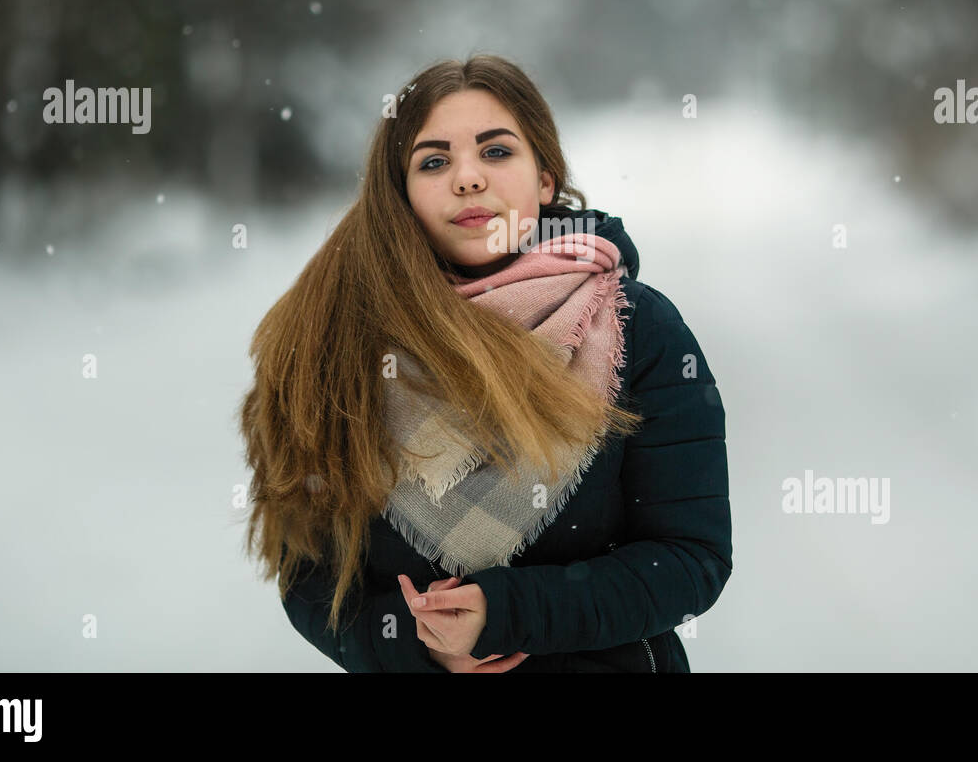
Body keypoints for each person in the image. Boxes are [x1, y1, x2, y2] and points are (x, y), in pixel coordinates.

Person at [240, 54, 731, 672]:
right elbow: (310, 573)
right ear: (400, 194)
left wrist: (510, 613)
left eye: (496, 152)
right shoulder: (337, 340)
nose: (468, 179)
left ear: (545, 179)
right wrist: (412, 647)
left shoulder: (639, 328)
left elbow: (691, 558)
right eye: (434, 161)